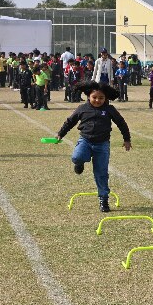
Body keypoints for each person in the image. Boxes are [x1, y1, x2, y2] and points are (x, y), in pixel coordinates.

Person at [56, 81, 131, 212]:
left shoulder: (109, 109)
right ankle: (79, 164)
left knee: (101, 173)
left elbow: (121, 123)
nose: (97, 100)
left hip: (102, 145)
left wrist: (127, 139)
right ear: (88, 96)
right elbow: (70, 121)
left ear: (106, 98)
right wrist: (60, 134)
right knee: (77, 157)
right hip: (85, 141)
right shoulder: (82, 108)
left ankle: (103, 199)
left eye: (101, 98)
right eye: (94, 97)